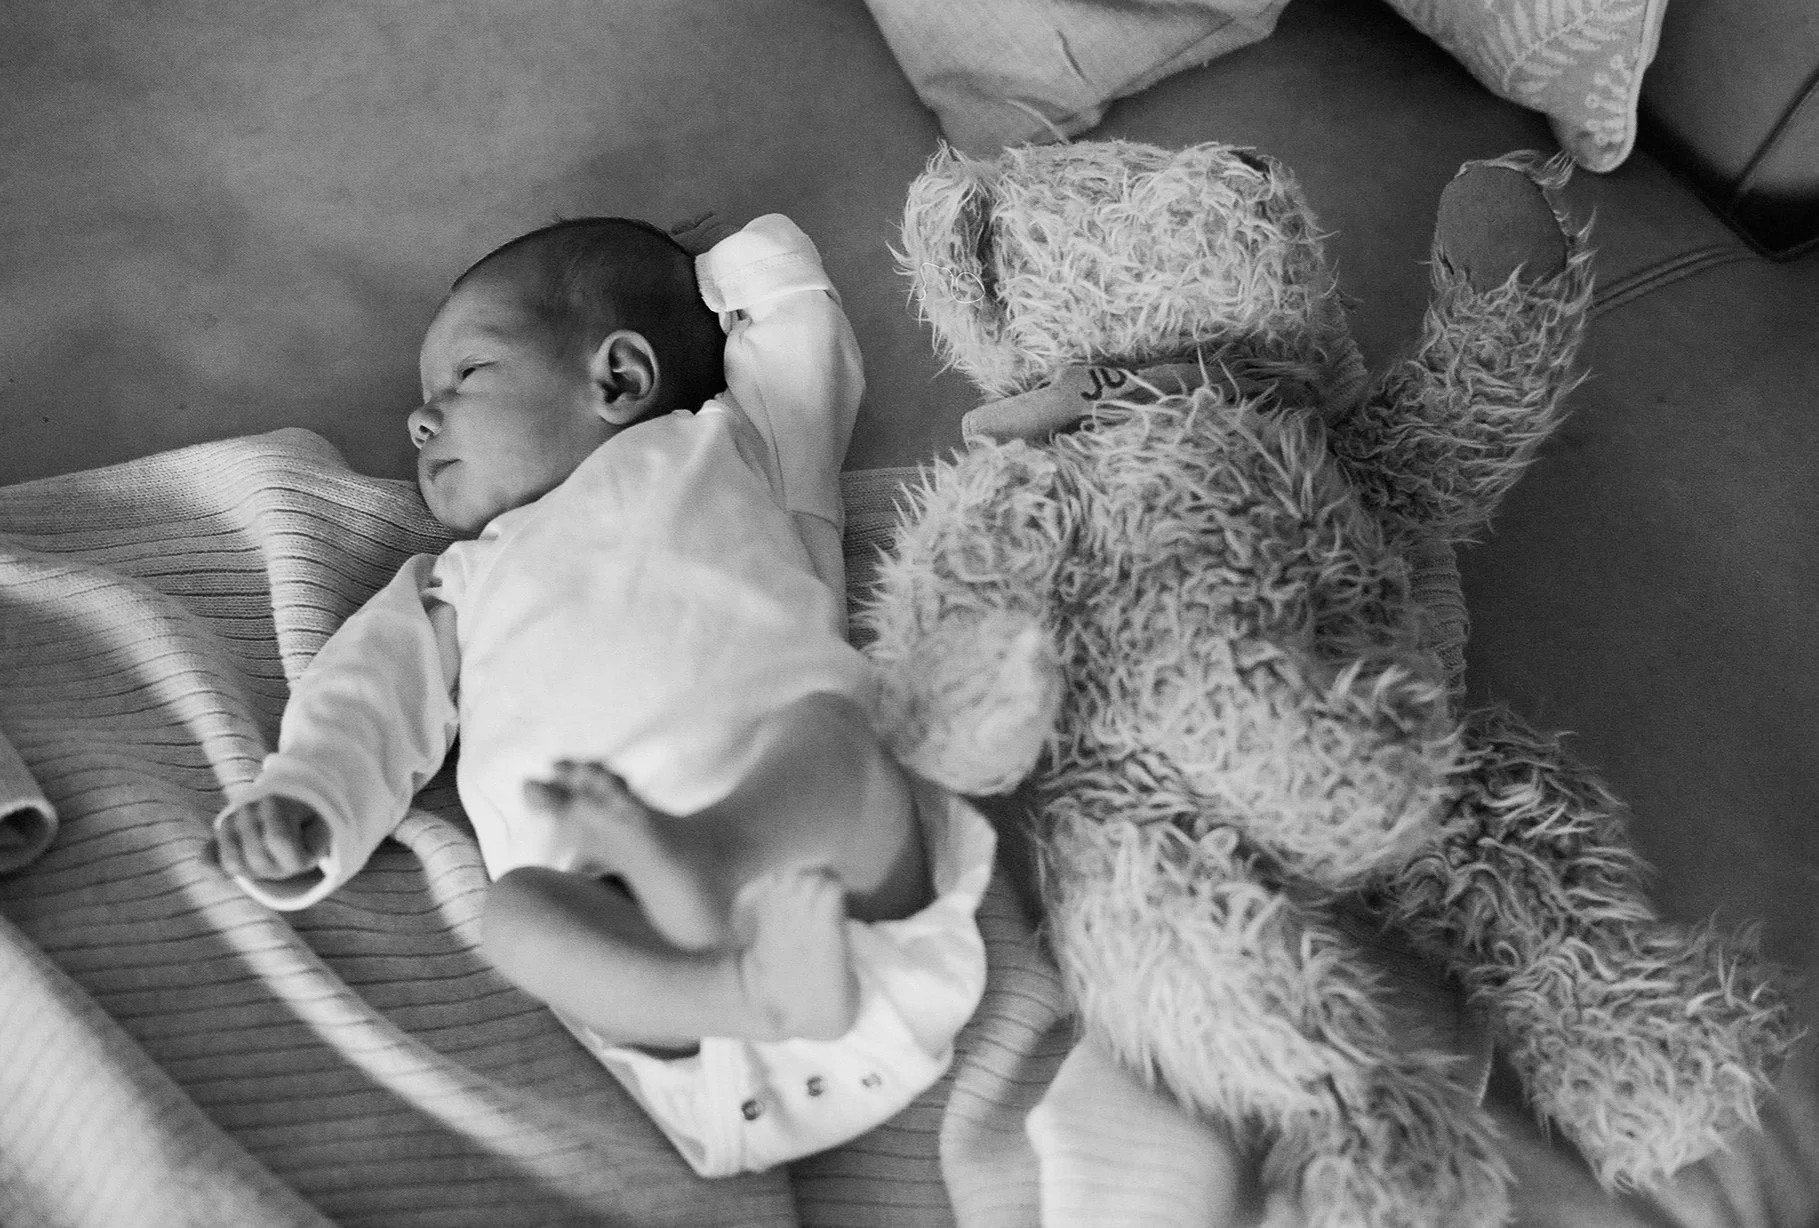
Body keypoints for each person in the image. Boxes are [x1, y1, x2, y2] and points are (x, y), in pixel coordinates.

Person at [208, 212, 995, 1177]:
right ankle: (738, 983)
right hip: (663, 973)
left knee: (831, 730)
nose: (420, 419)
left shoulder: (725, 447)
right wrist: (310, 798)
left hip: (835, 884)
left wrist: (717, 261)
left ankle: (711, 857)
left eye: (465, 376)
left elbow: (798, 330)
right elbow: (367, 695)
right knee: (521, 915)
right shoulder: (457, 578)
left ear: (618, 379)